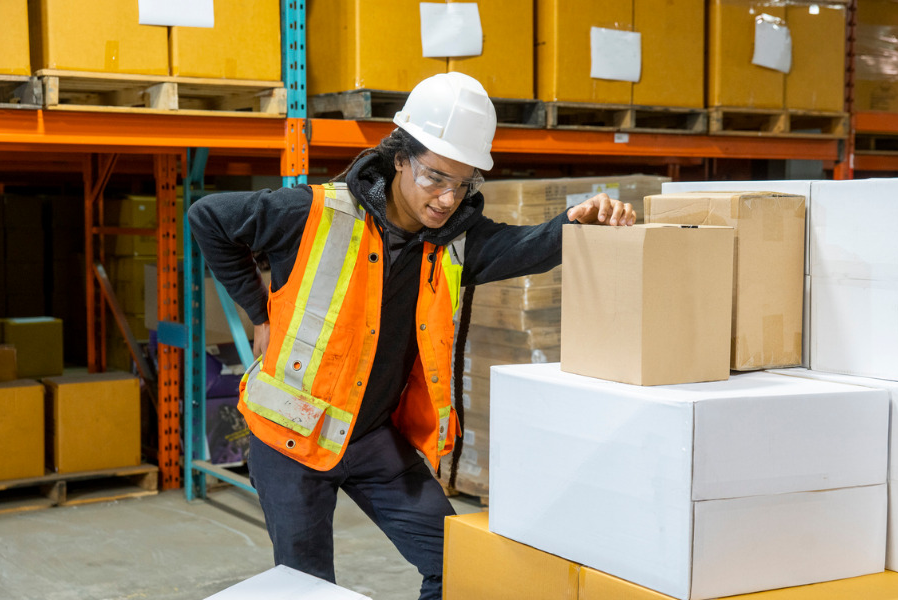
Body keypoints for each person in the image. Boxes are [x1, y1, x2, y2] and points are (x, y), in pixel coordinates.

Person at [188, 72, 636, 600]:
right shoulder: (311, 213)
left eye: (463, 183)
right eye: (435, 177)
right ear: (400, 157)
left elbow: (531, 246)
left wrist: (582, 221)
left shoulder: (456, 242)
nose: (448, 198)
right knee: (307, 589)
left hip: (372, 436)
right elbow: (207, 218)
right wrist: (258, 312)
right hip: (289, 440)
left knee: (458, 565)